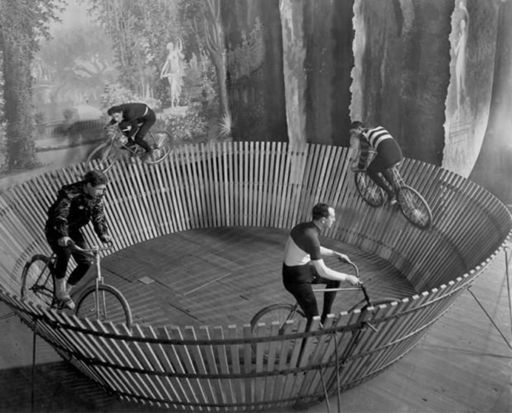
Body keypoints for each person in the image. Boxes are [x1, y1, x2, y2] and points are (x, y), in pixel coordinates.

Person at [282, 203, 360, 328]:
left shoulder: (304, 227)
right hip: (296, 280)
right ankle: (308, 338)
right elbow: (322, 271)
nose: (334, 220)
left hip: (294, 271)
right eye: (332, 217)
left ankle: (325, 319)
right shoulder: (311, 236)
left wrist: (336, 254)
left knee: (334, 281)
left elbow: (314, 248)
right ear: (323, 220)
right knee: (313, 319)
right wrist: (347, 277)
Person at [45, 170, 112, 310]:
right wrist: (63, 234)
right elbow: (61, 214)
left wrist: (103, 234)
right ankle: (60, 291)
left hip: (73, 230)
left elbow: (98, 215)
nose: (102, 192)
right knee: (64, 253)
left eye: (104, 189)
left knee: (86, 262)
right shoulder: (70, 194)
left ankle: (66, 292)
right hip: (56, 229)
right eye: (99, 189)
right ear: (88, 185)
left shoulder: (97, 196)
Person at [349, 121, 404, 205]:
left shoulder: (363, 136)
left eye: (354, 132)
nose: (354, 135)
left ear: (359, 129)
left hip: (387, 156)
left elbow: (364, 154)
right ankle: (397, 191)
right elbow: (384, 144)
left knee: (370, 171)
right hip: (399, 155)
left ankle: (390, 193)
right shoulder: (380, 128)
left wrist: (360, 167)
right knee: (382, 167)